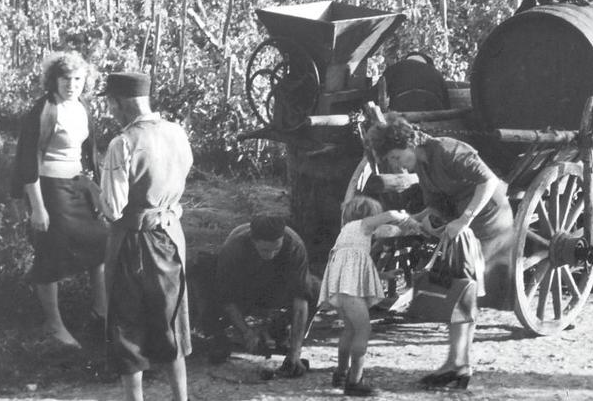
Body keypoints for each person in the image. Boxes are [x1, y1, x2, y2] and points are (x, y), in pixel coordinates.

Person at [366, 113, 513, 390]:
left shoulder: (447, 150)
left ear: (409, 142)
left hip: (487, 217)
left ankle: (459, 364)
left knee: (463, 287)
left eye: (397, 158)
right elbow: (434, 207)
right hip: (461, 222)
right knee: (458, 288)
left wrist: (464, 220)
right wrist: (411, 220)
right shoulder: (422, 165)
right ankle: (457, 363)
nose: (397, 165)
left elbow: (488, 182)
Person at [99, 72, 193, 401]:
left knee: (127, 325)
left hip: (134, 240)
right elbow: (182, 177)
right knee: (170, 321)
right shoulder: (177, 133)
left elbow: (112, 208)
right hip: (171, 235)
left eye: (110, 103)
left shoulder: (122, 143)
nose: (110, 110)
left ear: (118, 102)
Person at [11, 50, 108, 349]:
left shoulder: (82, 106)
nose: (72, 84)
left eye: (78, 79)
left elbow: (90, 151)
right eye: (66, 78)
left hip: (77, 185)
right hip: (49, 189)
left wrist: (96, 188)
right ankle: (55, 326)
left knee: (100, 244)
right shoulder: (43, 110)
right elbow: (29, 160)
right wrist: (37, 208)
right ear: (53, 80)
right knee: (51, 252)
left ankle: (101, 314)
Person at [204, 215, 320, 378]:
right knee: (204, 281)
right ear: (253, 241)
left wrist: (295, 353)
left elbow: (301, 298)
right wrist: (246, 332)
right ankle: (218, 337)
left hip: (276, 288)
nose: (271, 255)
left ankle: (280, 331)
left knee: (315, 288)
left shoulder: (294, 245)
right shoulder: (234, 247)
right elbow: (226, 297)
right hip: (244, 289)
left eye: (276, 250)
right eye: (265, 250)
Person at [318, 195, 411, 396]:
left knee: (350, 330)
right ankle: (355, 381)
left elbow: (354, 266)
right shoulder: (362, 225)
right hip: (350, 291)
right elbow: (388, 216)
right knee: (363, 330)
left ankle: (341, 373)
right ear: (368, 216)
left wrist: (384, 275)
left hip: (340, 290)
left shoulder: (346, 234)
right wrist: (403, 216)